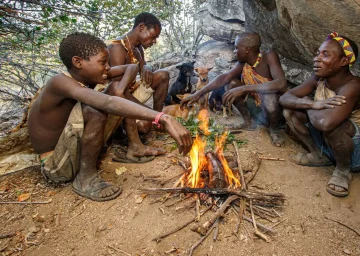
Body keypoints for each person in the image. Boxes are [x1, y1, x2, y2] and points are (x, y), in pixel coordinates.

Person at [28, 32, 192, 201]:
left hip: (73, 152)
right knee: (95, 108)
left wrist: (120, 90)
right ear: (78, 62)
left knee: (115, 88)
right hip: (57, 165)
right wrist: (164, 118)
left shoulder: (88, 76)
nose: (107, 67)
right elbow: (108, 103)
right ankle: (86, 179)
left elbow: (132, 67)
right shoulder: (59, 82)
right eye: (102, 62)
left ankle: (135, 147)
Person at [279, 32, 360, 197]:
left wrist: (306, 104)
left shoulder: (355, 85)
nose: (317, 58)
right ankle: (317, 155)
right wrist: (312, 103)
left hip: (357, 155)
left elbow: (326, 123)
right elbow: (284, 98)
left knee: (336, 124)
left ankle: (342, 171)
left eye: (326, 55)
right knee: (290, 111)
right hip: (329, 144)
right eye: (318, 53)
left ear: (344, 62)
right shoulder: (319, 77)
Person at [181, 32, 288, 147]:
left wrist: (245, 88)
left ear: (247, 49)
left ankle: (274, 130)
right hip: (257, 109)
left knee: (270, 96)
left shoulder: (269, 56)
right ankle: (248, 122)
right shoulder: (243, 63)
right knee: (231, 84)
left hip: (274, 111)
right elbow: (225, 77)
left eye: (237, 48)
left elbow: (281, 84)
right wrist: (199, 93)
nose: (234, 51)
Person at [107, 12, 169, 143]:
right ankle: (154, 119)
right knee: (143, 126)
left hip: (132, 93)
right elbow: (118, 92)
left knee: (163, 75)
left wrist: (148, 67)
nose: (154, 41)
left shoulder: (138, 48)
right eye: (153, 36)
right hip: (118, 100)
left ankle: (157, 123)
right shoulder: (117, 47)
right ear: (141, 27)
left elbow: (143, 69)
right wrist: (150, 114)